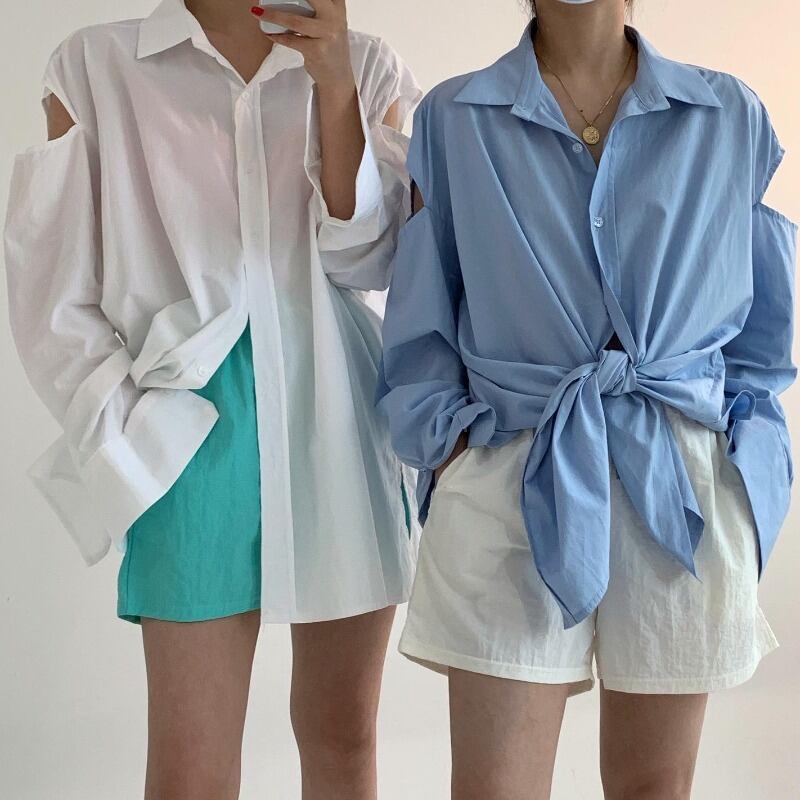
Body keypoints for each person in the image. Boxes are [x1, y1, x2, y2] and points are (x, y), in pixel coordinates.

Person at [377, 0, 797, 797]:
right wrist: (453, 448)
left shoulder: (727, 114)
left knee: (654, 789)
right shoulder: (455, 118)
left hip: (679, 482)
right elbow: (421, 316)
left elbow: (762, 337)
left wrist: (750, 469)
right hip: (512, 469)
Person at [4, 0, 420, 797]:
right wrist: (129, 438)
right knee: (190, 771)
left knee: (342, 737)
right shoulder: (92, 68)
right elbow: (51, 298)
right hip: (191, 431)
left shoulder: (367, 65)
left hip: (339, 418)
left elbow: (370, 263)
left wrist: (335, 87)